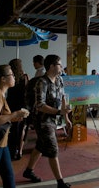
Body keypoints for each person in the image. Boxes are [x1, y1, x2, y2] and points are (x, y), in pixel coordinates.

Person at [23, 55, 72, 188]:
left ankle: (28, 171)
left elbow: (63, 97)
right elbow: (40, 105)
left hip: (54, 119)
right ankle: (60, 182)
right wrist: (59, 112)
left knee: (40, 145)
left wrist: (66, 117)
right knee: (53, 149)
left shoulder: (60, 80)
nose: (61, 67)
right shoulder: (42, 82)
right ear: (51, 66)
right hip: (42, 121)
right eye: (59, 65)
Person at [6, 58, 29, 160]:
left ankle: (12, 149)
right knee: (21, 129)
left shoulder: (10, 79)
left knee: (12, 128)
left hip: (11, 104)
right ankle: (19, 150)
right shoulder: (24, 77)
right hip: (22, 105)